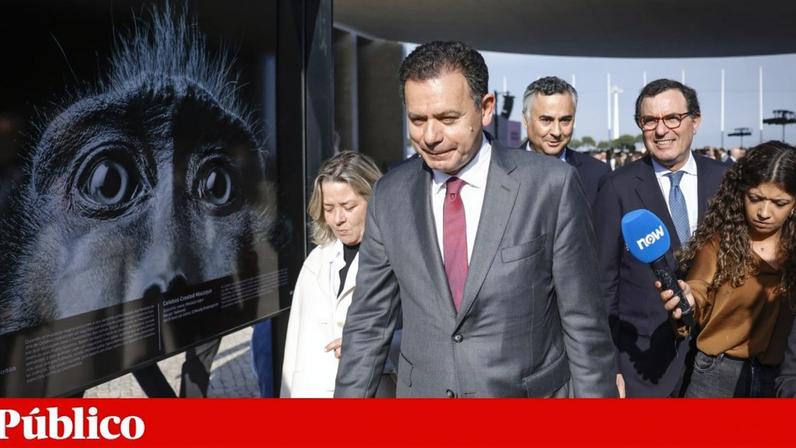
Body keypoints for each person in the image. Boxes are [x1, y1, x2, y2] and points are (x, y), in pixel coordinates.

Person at [334, 41, 616, 398]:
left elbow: (585, 326)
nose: (431, 136)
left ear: (485, 108)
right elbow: (368, 325)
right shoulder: (389, 195)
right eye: (417, 120)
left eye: (448, 118)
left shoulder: (549, 186)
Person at [593, 79, 728, 397]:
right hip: (643, 369)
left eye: (672, 118)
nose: (661, 130)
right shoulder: (617, 188)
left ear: (695, 121)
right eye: (649, 120)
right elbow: (602, 286)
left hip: (718, 363)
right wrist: (609, 367)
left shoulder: (725, 180)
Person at [660, 141, 796, 397]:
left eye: (779, 203)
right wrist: (687, 300)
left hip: (781, 380)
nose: (764, 212)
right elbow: (697, 290)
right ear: (741, 192)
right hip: (716, 376)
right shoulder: (719, 243)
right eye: (755, 198)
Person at [280, 151, 384, 398]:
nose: (338, 219)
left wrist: (367, 345)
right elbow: (294, 346)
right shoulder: (316, 260)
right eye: (328, 208)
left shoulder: (399, 257)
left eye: (348, 207)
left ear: (375, 200)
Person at [520, 76, 610, 206]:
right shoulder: (502, 170)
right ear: (525, 120)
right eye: (546, 120)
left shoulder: (597, 175)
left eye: (565, 120)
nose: (556, 132)